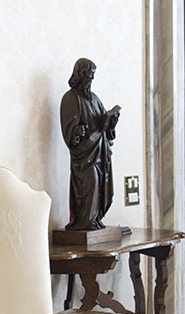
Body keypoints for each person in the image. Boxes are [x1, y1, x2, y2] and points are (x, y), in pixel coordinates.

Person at [60, 57, 121, 231]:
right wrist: (76, 133)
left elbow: (104, 124)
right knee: (90, 183)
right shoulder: (70, 98)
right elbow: (69, 131)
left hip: (100, 151)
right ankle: (84, 222)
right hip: (85, 157)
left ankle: (94, 220)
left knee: (102, 186)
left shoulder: (94, 99)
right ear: (81, 75)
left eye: (93, 76)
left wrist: (111, 122)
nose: (92, 80)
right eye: (89, 75)